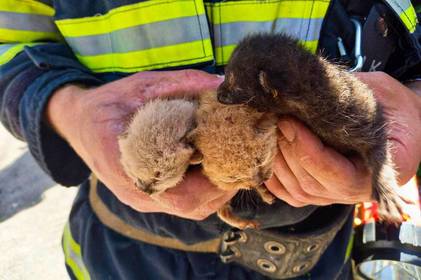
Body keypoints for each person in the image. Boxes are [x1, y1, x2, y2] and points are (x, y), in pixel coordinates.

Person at [0, 0, 420, 279]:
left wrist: (415, 102)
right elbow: (9, 42)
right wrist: (68, 110)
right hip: (123, 254)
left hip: (319, 253)